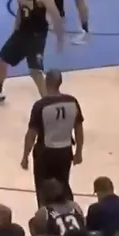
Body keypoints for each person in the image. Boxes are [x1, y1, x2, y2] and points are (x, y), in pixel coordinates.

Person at [21, 70, 84, 206]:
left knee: (43, 188)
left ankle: (46, 214)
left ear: (46, 82)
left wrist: (25, 156)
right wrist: (79, 152)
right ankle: (68, 212)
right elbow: (78, 129)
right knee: (64, 184)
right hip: (65, 151)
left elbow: (31, 134)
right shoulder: (72, 101)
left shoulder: (41, 105)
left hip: (45, 152)